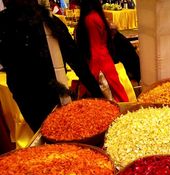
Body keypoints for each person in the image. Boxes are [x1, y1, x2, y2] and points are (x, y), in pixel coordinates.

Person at [0, 0, 103, 132]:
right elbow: (78, 63)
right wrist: (99, 96)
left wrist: (99, 97)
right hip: (31, 97)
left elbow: (77, 62)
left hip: (45, 97)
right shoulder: (45, 20)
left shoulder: (47, 21)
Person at [76, 0, 129, 102]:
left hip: (100, 63)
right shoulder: (96, 15)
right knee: (117, 95)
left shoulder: (90, 18)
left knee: (108, 101)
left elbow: (95, 48)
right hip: (105, 60)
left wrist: (92, 73)